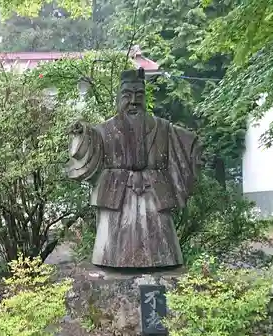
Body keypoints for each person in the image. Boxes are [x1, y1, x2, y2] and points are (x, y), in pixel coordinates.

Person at [66, 68, 202, 269]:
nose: (134, 101)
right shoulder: (104, 131)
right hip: (116, 195)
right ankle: (113, 263)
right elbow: (89, 145)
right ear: (118, 99)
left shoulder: (162, 128)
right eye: (127, 96)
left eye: (140, 96)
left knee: (161, 252)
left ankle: (160, 264)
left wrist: (196, 149)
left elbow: (186, 144)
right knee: (112, 249)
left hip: (154, 193)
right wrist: (81, 133)